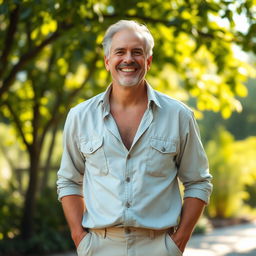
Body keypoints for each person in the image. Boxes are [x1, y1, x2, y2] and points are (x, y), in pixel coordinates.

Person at [57, 20, 212, 256]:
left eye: (137, 52)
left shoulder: (179, 116)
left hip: (159, 247)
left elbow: (198, 182)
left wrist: (178, 242)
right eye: (120, 52)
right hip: (99, 247)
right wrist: (80, 239)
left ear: (148, 61)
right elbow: (69, 181)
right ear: (107, 61)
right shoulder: (80, 117)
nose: (128, 59)